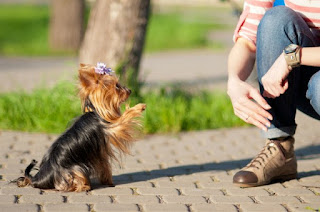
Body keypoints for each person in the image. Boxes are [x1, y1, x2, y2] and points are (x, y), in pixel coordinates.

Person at [228, 1, 320, 187]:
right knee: (276, 19)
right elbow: (247, 42)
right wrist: (234, 80)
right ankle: (280, 148)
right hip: (304, 79)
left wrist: (292, 57)